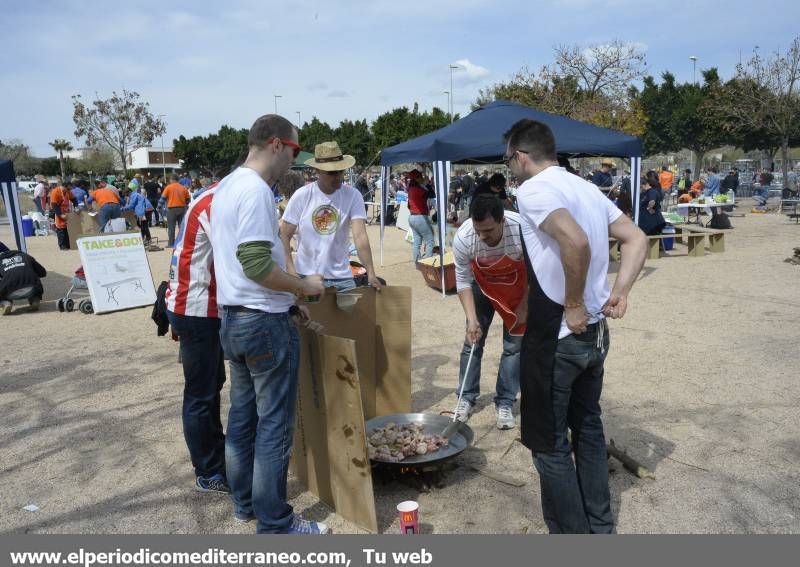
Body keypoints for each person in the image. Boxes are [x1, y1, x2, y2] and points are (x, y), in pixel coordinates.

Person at [504, 118, 647, 534]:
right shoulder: (586, 188)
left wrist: (572, 303)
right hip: (596, 335)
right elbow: (635, 238)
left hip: (560, 337)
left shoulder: (532, 189)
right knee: (587, 428)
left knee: (547, 446)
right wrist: (620, 290)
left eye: (508, 159)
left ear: (521, 156)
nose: (509, 167)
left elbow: (576, 241)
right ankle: (600, 530)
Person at [209, 113, 328, 534]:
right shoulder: (256, 191)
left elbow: (241, 265)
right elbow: (257, 263)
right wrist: (302, 287)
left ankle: (245, 505)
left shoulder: (224, 188)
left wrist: (289, 301)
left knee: (242, 419)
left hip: (235, 319)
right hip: (261, 324)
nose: (295, 161)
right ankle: (276, 523)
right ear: (276, 144)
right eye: (295, 151)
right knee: (274, 424)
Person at [166, 181, 231, 496]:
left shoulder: (213, 196)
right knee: (201, 394)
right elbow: (238, 258)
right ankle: (208, 471)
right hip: (196, 309)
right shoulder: (218, 203)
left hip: (194, 307)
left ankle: (215, 456)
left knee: (210, 385)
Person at [452, 194, 526, 430]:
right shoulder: (464, 237)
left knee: (514, 346)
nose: (483, 237)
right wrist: (472, 320)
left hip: (516, 285)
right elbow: (462, 280)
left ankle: (504, 401)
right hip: (481, 284)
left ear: (502, 220)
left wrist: (524, 308)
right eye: (478, 230)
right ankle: (466, 397)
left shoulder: (522, 230)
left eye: (489, 230)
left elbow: (538, 273)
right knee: (472, 341)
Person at [281, 141, 382, 292]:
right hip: (306, 277)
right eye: (332, 173)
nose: (338, 177)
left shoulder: (353, 195)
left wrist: (371, 274)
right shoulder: (302, 195)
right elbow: (284, 234)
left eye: (341, 171)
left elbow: (360, 236)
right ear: (317, 171)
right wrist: (291, 270)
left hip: (343, 278)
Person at [0, 248, 46, 315]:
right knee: (33, 277)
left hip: (10, 292)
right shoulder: (25, 256)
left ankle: (5, 302)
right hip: (31, 289)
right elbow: (43, 273)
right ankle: (34, 299)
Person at [405, 169, 435, 262]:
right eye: (420, 177)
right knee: (430, 241)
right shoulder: (419, 189)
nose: (422, 178)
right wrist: (427, 184)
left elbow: (408, 205)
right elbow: (432, 194)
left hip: (412, 217)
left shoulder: (410, 188)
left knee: (417, 242)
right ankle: (428, 262)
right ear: (417, 178)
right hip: (420, 217)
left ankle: (417, 261)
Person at [160, 174, 191, 247]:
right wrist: (184, 204)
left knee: (171, 227)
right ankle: (182, 243)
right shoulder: (183, 188)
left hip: (171, 210)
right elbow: (188, 199)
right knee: (182, 227)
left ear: (172, 179)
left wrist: (158, 207)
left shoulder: (168, 187)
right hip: (182, 209)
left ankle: (171, 244)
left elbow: (162, 199)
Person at [638, 171, 666, 236]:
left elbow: (652, 202)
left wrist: (648, 210)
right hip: (649, 222)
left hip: (652, 223)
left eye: (641, 187)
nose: (640, 188)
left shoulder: (653, 191)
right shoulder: (646, 192)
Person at [49, 182, 72, 250]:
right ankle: (62, 246)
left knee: (67, 229)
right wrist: (60, 215)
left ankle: (68, 245)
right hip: (57, 211)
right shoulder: (55, 192)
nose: (69, 191)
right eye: (68, 189)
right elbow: (54, 205)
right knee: (61, 229)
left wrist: (76, 207)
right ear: (64, 187)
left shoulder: (68, 192)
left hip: (66, 211)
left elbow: (73, 198)